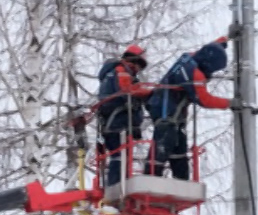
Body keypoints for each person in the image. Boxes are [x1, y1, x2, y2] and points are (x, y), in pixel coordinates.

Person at [145, 36, 231, 180]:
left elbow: (206, 49)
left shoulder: (191, 57)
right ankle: (151, 177)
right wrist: (229, 103)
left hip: (168, 107)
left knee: (179, 142)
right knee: (166, 140)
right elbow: (204, 100)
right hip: (165, 109)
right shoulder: (194, 74)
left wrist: (224, 40)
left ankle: (181, 179)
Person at [93, 44, 152, 187]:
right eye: (138, 65)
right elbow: (126, 91)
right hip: (118, 123)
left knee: (121, 157)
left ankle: (120, 185)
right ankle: (116, 188)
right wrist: (147, 93)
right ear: (133, 60)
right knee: (119, 157)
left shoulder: (114, 74)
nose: (138, 69)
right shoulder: (121, 71)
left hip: (115, 122)